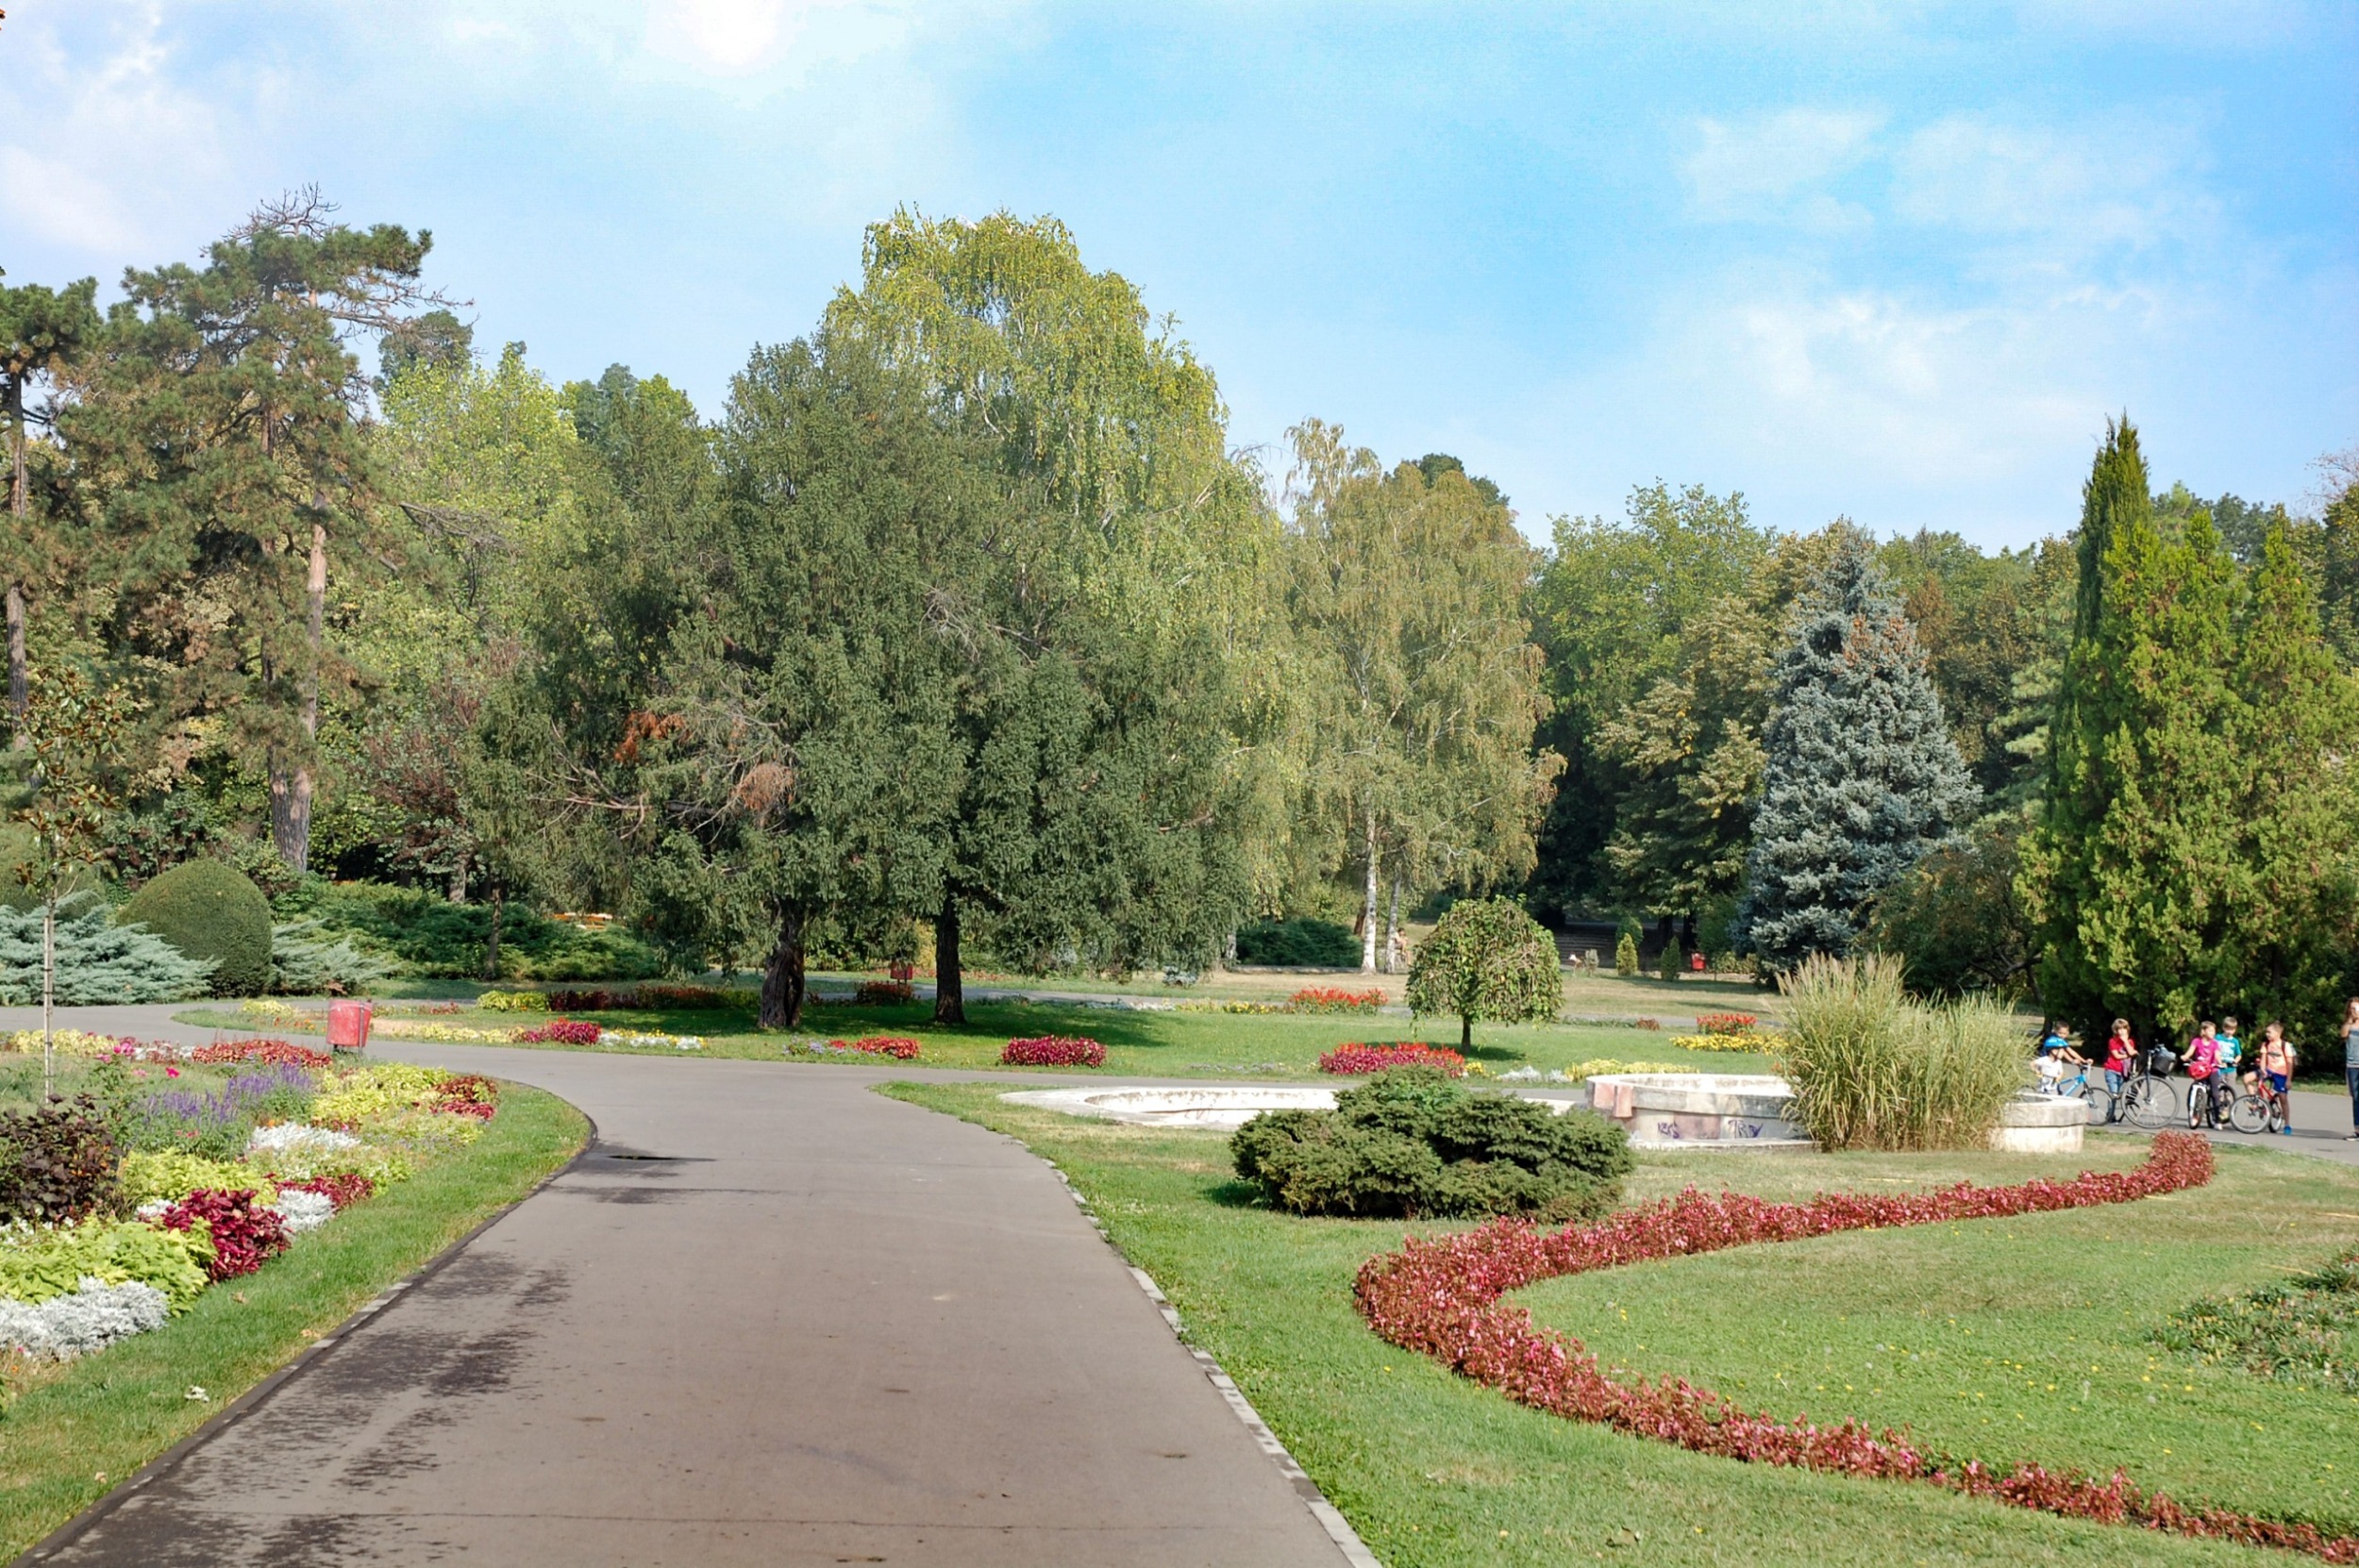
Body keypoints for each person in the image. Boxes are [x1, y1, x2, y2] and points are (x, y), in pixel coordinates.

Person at [2256, 1022, 2296, 1136]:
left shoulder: (2285, 1045)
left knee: (2283, 1098)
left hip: (2281, 1074)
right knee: (2258, 1085)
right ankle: (2262, 1106)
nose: (2267, 1034)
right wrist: (2263, 1070)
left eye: (2269, 1032)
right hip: (2269, 1071)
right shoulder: (2266, 1044)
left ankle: (2287, 1124)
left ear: (2278, 1033)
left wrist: (2288, 1080)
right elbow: (2263, 1059)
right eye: (2266, 1032)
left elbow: (2290, 1064)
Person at [2183, 1021, 2223, 1129]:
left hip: (2212, 1070)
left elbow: (2217, 1055)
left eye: (2214, 1031)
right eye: (2210, 1030)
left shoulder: (2215, 1044)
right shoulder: (2197, 1041)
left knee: (2215, 1094)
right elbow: (2190, 1052)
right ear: (2203, 1031)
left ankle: (2217, 1119)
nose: (2213, 1033)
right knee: (2193, 1091)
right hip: (2200, 1070)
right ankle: (2192, 1115)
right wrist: (2185, 1056)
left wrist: (2220, 1062)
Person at [2100, 1020, 2135, 1121]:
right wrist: (2128, 1055)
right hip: (2111, 1070)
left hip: (2123, 1072)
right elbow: (2116, 1055)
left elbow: (2131, 1051)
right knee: (2113, 1093)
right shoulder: (2113, 1041)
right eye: (2119, 1029)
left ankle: (2110, 1114)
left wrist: (2125, 1041)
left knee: (2120, 1094)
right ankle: (2110, 1115)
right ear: (2115, 1031)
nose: (2121, 1031)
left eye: (2124, 1028)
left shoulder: (2130, 1042)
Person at [2343, 998, 2359, 1141]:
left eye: (2357, 1008)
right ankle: (2357, 1130)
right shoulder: (2349, 1025)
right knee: (2356, 1097)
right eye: (2352, 1009)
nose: (2355, 1011)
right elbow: (2343, 1035)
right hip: (2352, 1065)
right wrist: (2350, 1020)